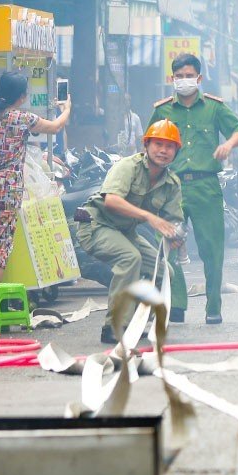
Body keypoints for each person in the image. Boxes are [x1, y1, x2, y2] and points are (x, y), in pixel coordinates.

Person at [149, 53, 238, 324]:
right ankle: (177, 304)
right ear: (172, 79)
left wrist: (228, 145)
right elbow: (151, 145)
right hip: (172, 188)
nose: (183, 81)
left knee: (212, 248)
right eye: (178, 77)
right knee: (167, 245)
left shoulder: (214, 108)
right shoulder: (163, 110)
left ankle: (213, 306)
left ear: (199, 78)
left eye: (188, 76)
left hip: (206, 186)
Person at [76, 119, 187, 343]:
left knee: (166, 273)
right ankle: (114, 327)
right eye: (158, 144)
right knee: (130, 258)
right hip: (97, 224)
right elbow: (111, 201)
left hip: (125, 231)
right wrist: (148, 216)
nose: (163, 151)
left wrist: (176, 236)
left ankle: (135, 321)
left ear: (176, 152)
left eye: (169, 146)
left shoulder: (172, 183)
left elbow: (175, 221)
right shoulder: (128, 166)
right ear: (146, 145)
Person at [0, 72, 71, 281]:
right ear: (21, 97)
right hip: (7, 188)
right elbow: (55, 127)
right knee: (0, 241)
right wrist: (66, 109)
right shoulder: (22, 118)